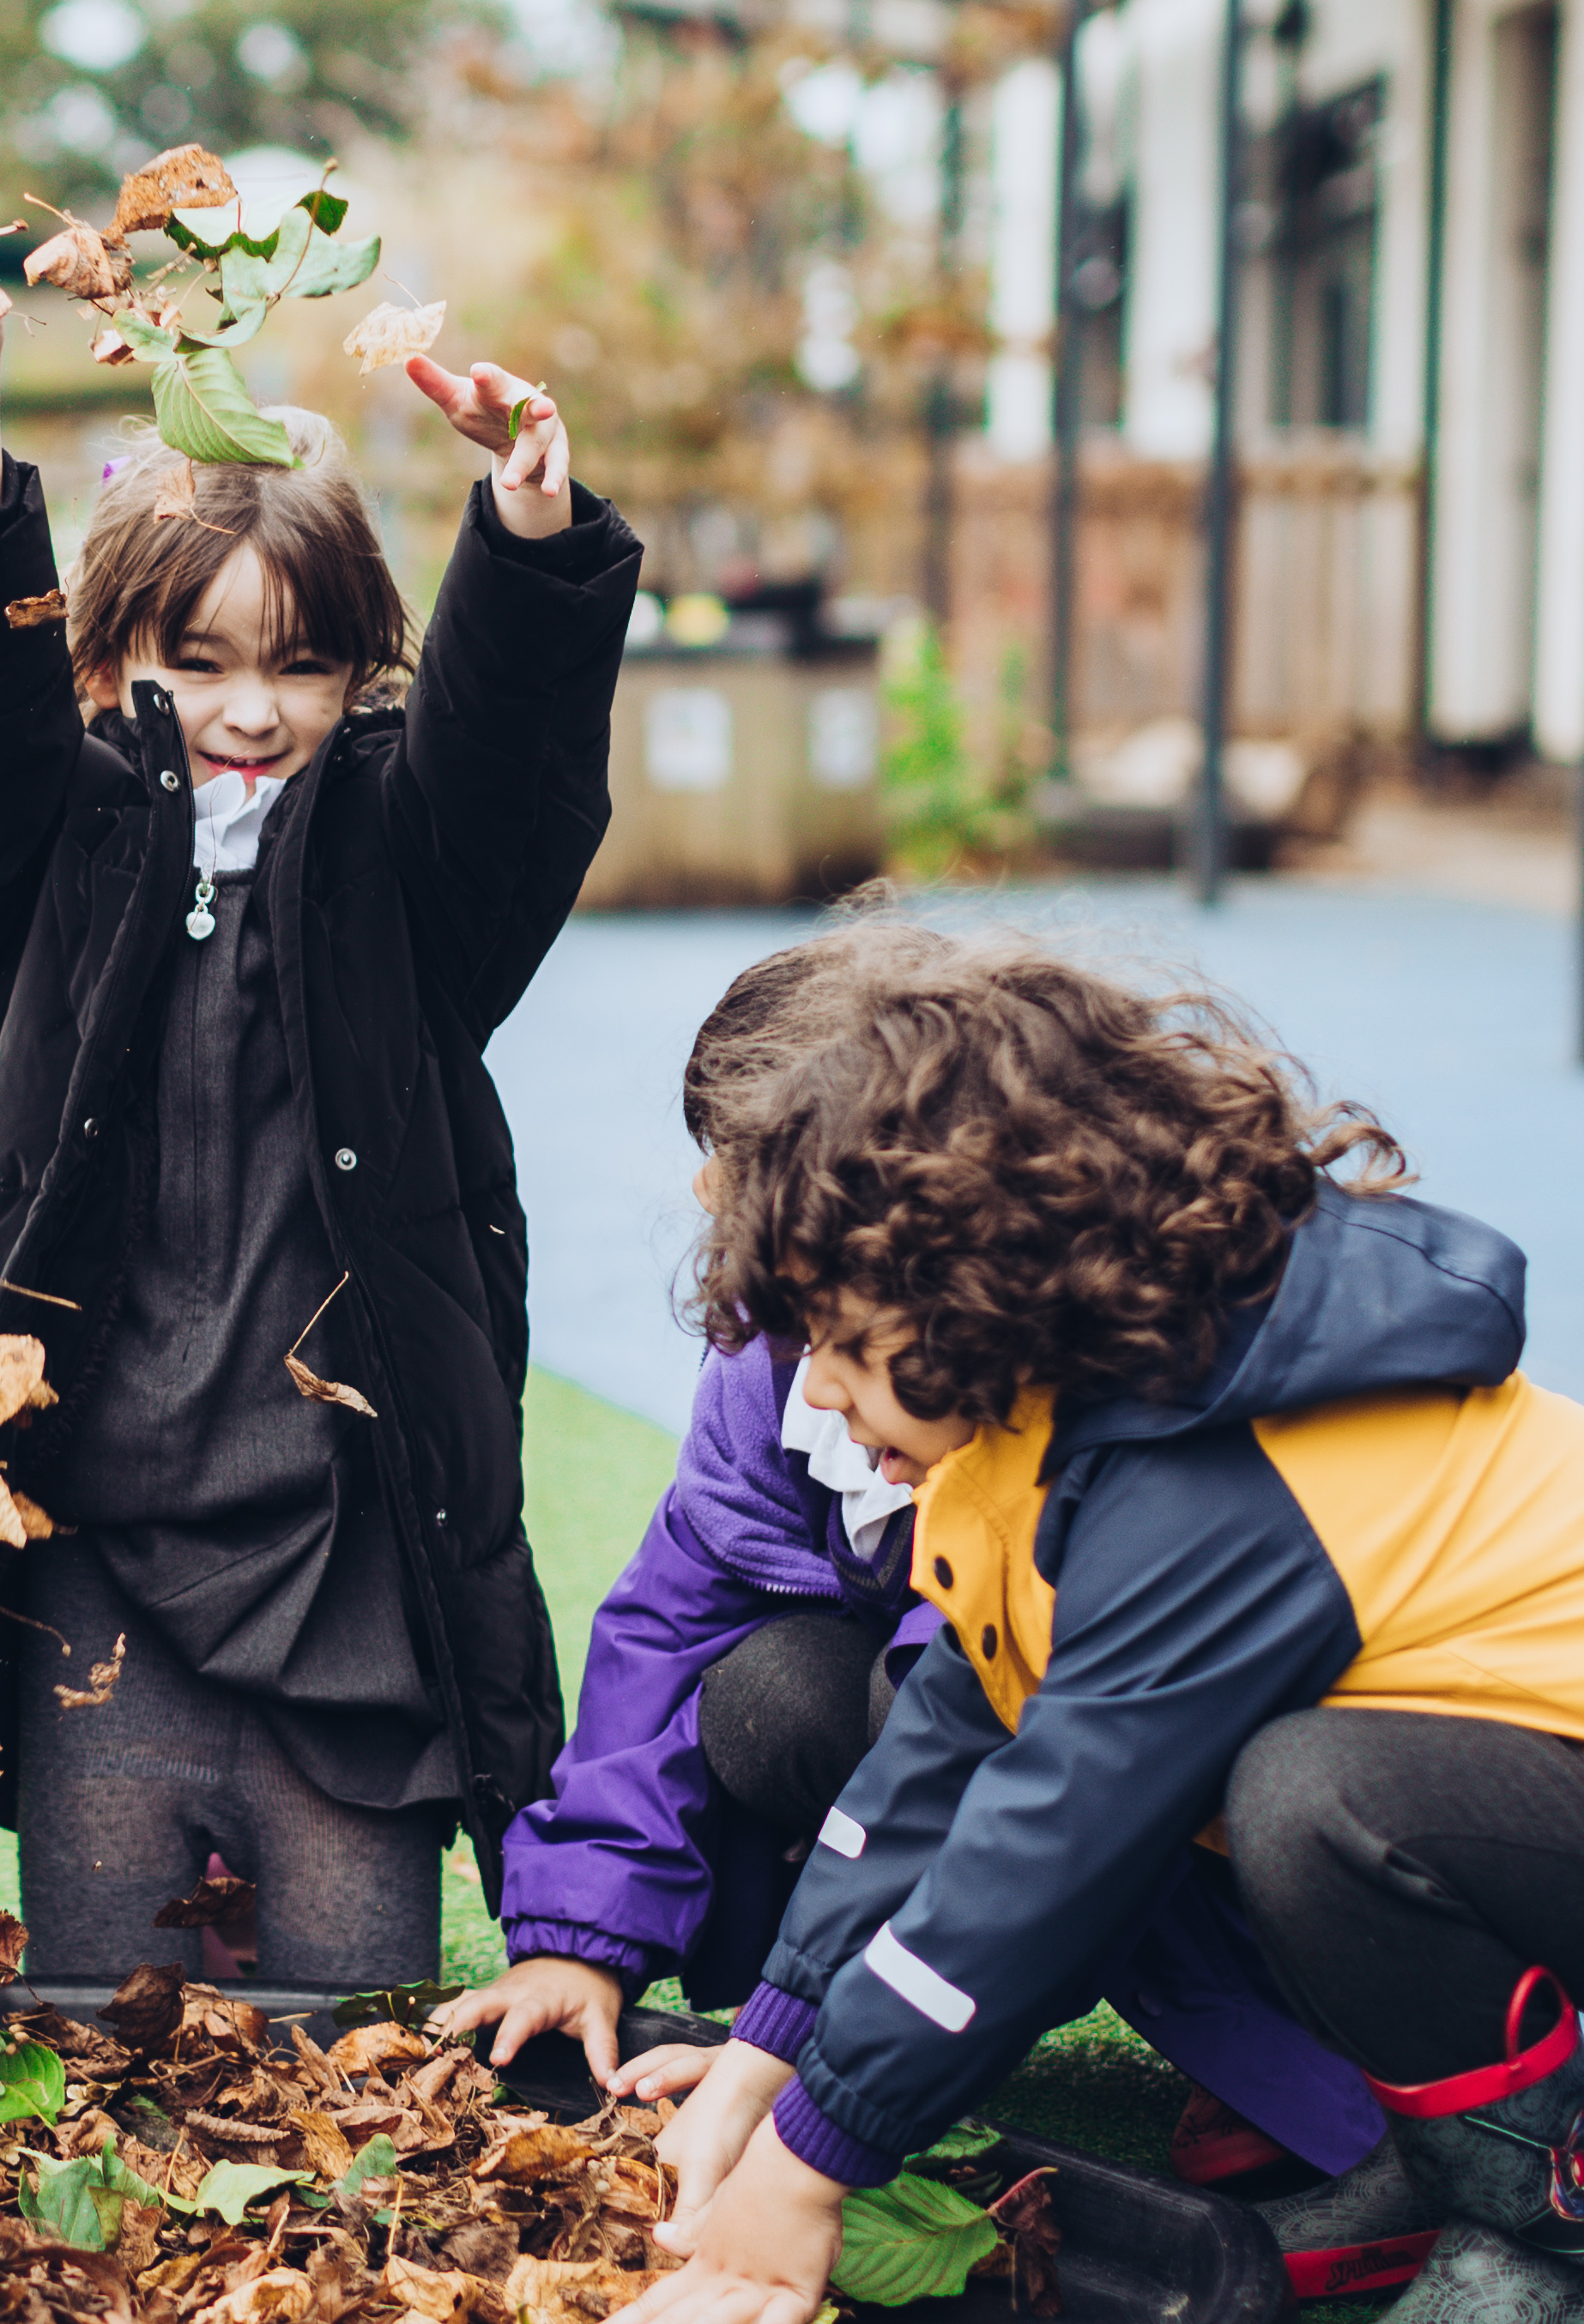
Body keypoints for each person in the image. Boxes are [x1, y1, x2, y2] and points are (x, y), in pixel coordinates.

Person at [622, 921, 1584, 2324]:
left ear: (976, 1298)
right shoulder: (1042, 1440)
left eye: (835, 1339)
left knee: (1311, 1798)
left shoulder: (1215, 1485)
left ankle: (1562, 2258)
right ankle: (1443, 2175)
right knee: (1292, 1791)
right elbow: (943, 1760)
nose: (809, 1391)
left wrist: (814, 2166)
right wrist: (774, 2051)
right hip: (1579, 1802)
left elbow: (1047, 1853)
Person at [0, 232, 641, 1995]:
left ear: (363, 677)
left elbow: (510, 776)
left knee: (353, 2031)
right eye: (199, 658)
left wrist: (534, 535)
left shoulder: (410, 886)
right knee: (105, 2028)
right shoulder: (51, 870)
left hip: (348, 1551)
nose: (254, 710)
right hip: (104, 1542)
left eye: (306, 665)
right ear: (111, 663)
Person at [441, 950, 1397, 2289]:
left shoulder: (1103, 1415)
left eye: (749, 1171)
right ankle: (910, 2034)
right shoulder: (779, 1364)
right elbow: (673, 1623)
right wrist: (586, 1937)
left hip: (1310, 1793)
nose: (713, 1203)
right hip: (994, 1757)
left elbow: (1037, 1776)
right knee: (786, 1698)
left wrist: (822, 2114)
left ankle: (1361, 2105)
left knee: (1012, 1753)